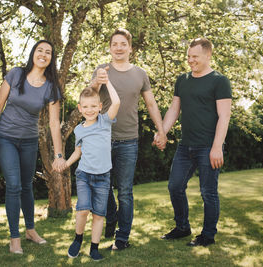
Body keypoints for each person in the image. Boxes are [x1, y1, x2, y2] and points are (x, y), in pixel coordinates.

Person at [0, 40, 65, 254]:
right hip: (6, 137)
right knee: (13, 185)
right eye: (40, 50)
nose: (44, 54)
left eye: (48, 52)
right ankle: (14, 238)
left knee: (27, 185)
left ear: (51, 58)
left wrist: (58, 155)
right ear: (33, 53)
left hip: (29, 140)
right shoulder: (16, 74)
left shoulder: (51, 86)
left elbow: (54, 123)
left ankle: (30, 230)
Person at [90, 28, 167, 250]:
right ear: (110, 48)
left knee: (125, 191)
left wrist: (161, 130)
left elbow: (151, 104)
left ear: (130, 48)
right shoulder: (102, 70)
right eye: (115, 43)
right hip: (102, 138)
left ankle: (122, 238)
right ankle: (112, 216)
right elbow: (87, 94)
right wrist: (96, 81)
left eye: (123, 43)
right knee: (101, 187)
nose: (119, 47)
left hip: (128, 140)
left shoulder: (140, 74)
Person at [158, 37, 232, 246]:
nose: (190, 60)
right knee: (174, 186)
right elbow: (174, 109)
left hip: (209, 146)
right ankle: (182, 227)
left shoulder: (219, 81)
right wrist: (162, 132)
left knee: (208, 192)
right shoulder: (182, 80)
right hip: (185, 146)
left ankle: (208, 235)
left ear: (208, 55)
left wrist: (217, 146)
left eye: (195, 56)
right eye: (188, 56)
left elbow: (224, 116)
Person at [65, 71, 120, 261]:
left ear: (100, 106)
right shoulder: (79, 129)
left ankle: (94, 248)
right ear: (80, 108)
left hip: (103, 177)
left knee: (98, 215)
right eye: (86, 107)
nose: (89, 110)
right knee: (82, 210)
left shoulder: (105, 122)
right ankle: (78, 239)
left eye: (93, 106)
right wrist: (66, 163)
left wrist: (107, 82)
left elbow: (117, 102)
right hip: (84, 175)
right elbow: (78, 151)